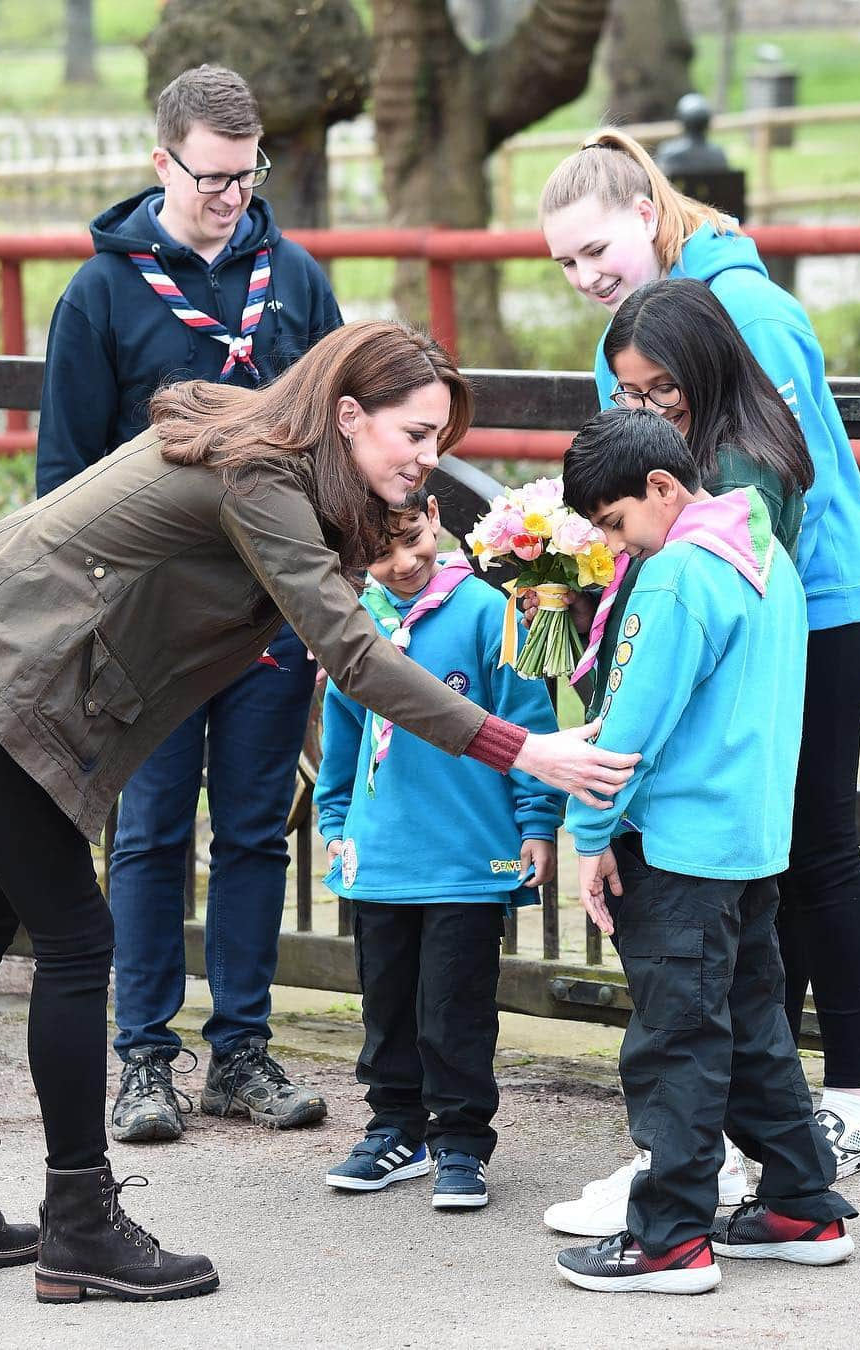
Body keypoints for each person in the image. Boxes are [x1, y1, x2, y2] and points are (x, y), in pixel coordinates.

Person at [0, 319, 637, 1305]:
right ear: (349, 415)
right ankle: (79, 1223)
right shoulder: (264, 473)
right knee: (73, 941)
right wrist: (522, 746)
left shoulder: (279, 463)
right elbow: (356, 659)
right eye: (414, 434)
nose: (427, 460)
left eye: (440, 441)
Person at [539, 130, 860, 1186]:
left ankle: (851, 1100)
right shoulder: (646, 331)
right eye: (562, 261)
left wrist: (697, 605)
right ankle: (750, 1123)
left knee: (812, 844)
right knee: (763, 861)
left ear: (646, 213)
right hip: (726, 592)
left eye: (595, 246)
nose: (585, 275)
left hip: (801, 603)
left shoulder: (749, 313)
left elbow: (775, 482)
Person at [37, 64, 343, 1144]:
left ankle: (243, 1052)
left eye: (246, 174)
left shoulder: (295, 278)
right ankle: (143, 1060)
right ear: (162, 160)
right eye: (211, 177)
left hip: (268, 611)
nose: (231, 196)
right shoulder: (103, 293)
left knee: (258, 830)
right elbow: (63, 477)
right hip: (150, 622)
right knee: (153, 833)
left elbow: (338, 444)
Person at [555, 408, 857, 1296]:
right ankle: (801, 1204)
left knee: (675, 1041)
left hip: (679, 846)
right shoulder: (766, 552)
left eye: (615, 524)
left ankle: (670, 1241)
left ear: (661, 489)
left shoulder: (678, 573)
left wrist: (590, 837)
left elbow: (632, 727)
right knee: (754, 1026)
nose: (617, 547)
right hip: (753, 842)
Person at [315, 488, 565, 1209]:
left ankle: (459, 1139)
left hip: (469, 854)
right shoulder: (354, 624)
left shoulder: (490, 615)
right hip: (380, 854)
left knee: (455, 1005)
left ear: (433, 514)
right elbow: (342, 734)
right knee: (386, 1002)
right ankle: (396, 1129)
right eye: (378, 550)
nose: (401, 563)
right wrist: (335, 824)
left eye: (411, 538)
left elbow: (529, 724)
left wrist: (537, 823)